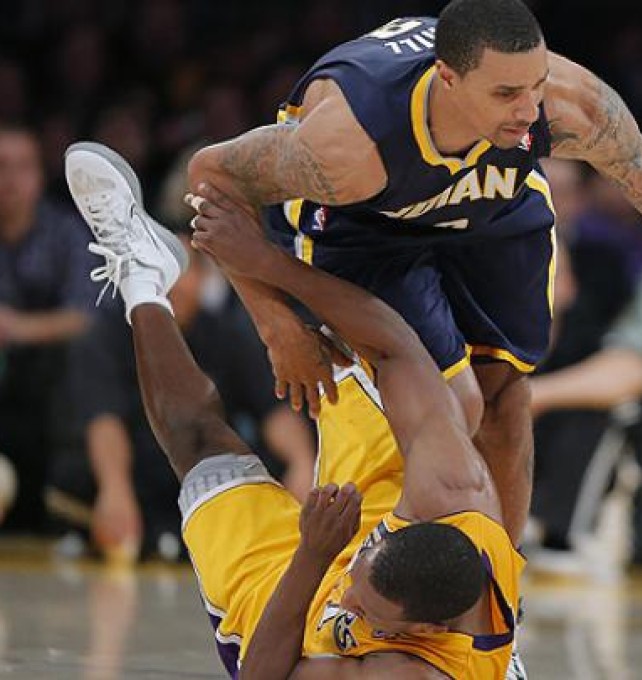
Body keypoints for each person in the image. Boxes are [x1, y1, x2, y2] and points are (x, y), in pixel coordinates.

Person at [186, 0, 642, 548]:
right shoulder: (345, 145)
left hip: (486, 207)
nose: (529, 111)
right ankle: (391, 596)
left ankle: (499, 613)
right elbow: (211, 175)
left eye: (534, 85)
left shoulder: (566, 106)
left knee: (509, 401)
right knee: (457, 412)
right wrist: (275, 320)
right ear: (446, 79)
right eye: (506, 94)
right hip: (365, 223)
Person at [66, 142, 526, 678]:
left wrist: (313, 557)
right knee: (447, 392)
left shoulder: (397, 672)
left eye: (360, 602)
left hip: (299, 617)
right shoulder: (454, 492)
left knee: (197, 447)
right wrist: (268, 276)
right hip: (399, 554)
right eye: (361, 566)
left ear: (416, 632)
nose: (347, 584)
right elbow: (398, 346)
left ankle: (141, 273)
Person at [48, 233, 316, 563]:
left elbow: (274, 408)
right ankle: (140, 532)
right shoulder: (105, 335)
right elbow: (105, 419)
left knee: (269, 470)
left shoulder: (230, 334)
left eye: (182, 270)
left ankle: (170, 538)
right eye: (158, 271)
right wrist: (114, 488)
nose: (171, 285)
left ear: (202, 278)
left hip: (207, 473)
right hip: (137, 471)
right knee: (71, 478)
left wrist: (302, 463)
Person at [0, 123, 98, 532]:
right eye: (1, 167)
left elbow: (87, 317)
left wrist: (17, 328)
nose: (10, 180)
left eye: (22, 167)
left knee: (86, 359)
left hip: (48, 388)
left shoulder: (66, 232)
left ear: (39, 175)